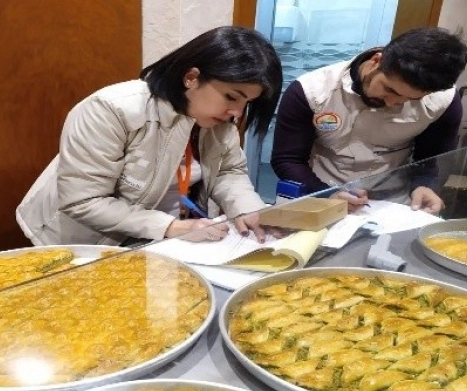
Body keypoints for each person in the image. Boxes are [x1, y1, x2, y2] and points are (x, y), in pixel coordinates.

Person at [16, 26, 282, 247]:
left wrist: (247, 208)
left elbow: (229, 171)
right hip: (82, 242)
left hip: (153, 240)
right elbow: (84, 201)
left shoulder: (220, 122)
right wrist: (170, 227)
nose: (236, 112)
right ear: (191, 77)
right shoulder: (112, 109)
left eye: (247, 103)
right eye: (231, 96)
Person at [270, 27, 467, 213]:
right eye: (389, 89)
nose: (392, 102)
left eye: (410, 99)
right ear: (376, 60)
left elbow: (433, 159)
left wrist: (425, 185)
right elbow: (287, 160)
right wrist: (326, 194)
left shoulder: (443, 101)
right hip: (320, 193)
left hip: (396, 203)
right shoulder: (311, 91)